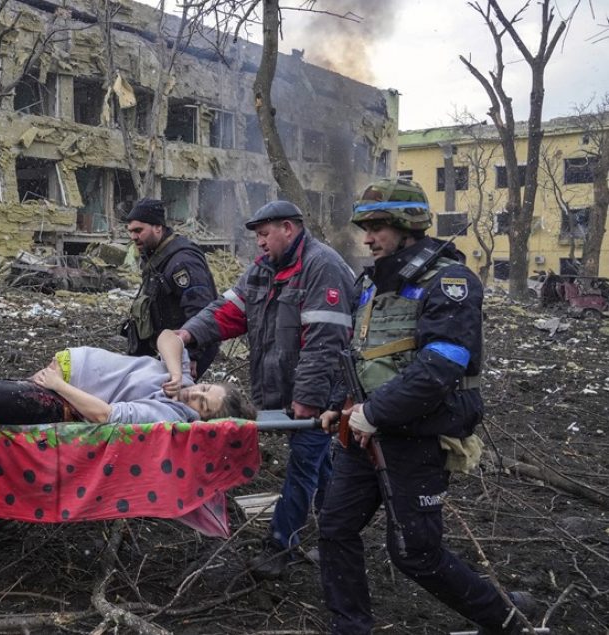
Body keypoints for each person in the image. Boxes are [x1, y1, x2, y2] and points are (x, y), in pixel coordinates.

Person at [317, 178, 538, 634]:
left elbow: (443, 365)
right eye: (366, 227)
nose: (368, 237)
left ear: (407, 225)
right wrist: (335, 404)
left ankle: (505, 619)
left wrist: (375, 413)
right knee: (335, 528)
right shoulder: (371, 284)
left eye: (378, 226)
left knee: (415, 553)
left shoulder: (450, 281)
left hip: (415, 437)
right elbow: (360, 353)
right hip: (362, 433)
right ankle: (350, 627)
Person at [175, 200, 354, 579]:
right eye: (257, 236)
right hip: (286, 391)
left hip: (319, 394)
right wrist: (187, 333)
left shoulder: (323, 267)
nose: (259, 243)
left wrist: (307, 399)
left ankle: (280, 544)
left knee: (305, 463)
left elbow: (326, 342)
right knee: (319, 462)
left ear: (288, 228)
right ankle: (338, 532)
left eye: (264, 234)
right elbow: (227, 311)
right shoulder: (262, 271)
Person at [0, 330, 254, 427]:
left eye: (202, 404)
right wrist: (175, 371)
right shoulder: (179, 380)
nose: (194, 395)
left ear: (202, 420)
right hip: (59, 378)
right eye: (204, 388)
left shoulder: (169, 417)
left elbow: (104, 415)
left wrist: (58, 385)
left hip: (64, 401)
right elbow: (169, 336)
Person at [122, 198, 220, 378]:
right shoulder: (156, 256)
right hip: (168, 347)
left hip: (185, 349)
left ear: (158, 227)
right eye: (130, 231)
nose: (133, 237)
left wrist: (191, 354)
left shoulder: (182, 261)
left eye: (138, 230)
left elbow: (200, 309)